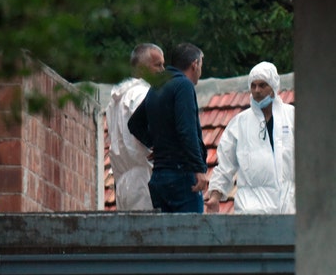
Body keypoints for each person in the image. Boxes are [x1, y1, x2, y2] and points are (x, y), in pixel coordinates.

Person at [128, 43, 208, 213]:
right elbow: (187, 130)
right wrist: (198, 169)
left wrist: (158, 143)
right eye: (200, 65)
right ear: (195, 64)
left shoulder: (156, 87)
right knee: (191, 235)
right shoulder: (184, 86)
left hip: (159, 177)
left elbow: (134, 123)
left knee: (166, 237)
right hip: (182, 175)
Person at [206, 61, 295, 214]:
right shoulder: (240, 124)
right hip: (251, 211)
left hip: (288, 209)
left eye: (262, 85)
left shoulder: (292, 117)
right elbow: (225, 165)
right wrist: (214, 196)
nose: (257, 90)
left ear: (273, 87)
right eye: (253, 86)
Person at [105, 43, 165, 211]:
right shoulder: (142, 94)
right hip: (143, 179)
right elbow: (151, 128)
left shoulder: (114, 102)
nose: (163, 70)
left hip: (123, 183)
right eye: (157, 65)